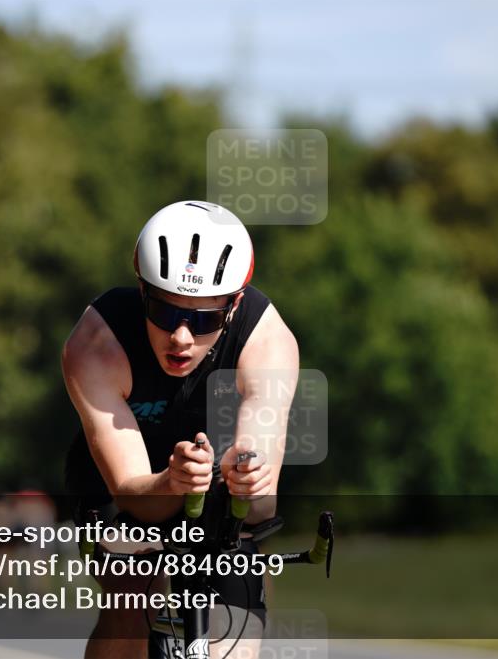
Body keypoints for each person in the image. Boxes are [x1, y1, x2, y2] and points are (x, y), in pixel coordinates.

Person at [62, 200, 299, 659]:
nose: (182, 338)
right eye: (165, 313)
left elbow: (260, 504)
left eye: (205, 319)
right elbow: (131, 493)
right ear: (142, 291)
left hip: (214, 475)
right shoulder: (96, 343)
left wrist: (245, 476)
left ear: (234, 305)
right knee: (131, 602)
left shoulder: (268, 341)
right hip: (123, 482)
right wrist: (172, 481)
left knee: (237, 637)